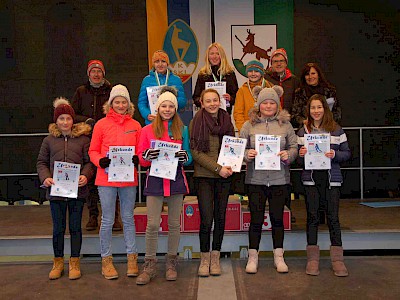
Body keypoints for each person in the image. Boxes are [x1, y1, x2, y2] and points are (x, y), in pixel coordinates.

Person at [136, 87, 192, 285]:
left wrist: (185, 157)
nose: (167, 109)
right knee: (152, 224)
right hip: (155, 181)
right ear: (157, 108)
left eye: (171, 106)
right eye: (164, 106)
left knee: (174, 224)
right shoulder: (146, 130)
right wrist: (146, 156)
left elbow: (189, 157)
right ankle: (149, 264)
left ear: (175, 109)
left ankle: (171, 262)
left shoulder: (182, 129)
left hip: (175, 180)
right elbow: (141, 159)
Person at [239, 86, 298, 274]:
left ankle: (279, 257)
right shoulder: (248, 125)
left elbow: (294, 147)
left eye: (272, 102)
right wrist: (247, 154)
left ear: (277, 104)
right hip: (255, 180)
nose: (268, 106)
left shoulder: (286, 125)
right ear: (259, 104)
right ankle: (253, 257)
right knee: (255, 220)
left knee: (277, 219)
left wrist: (287, 155)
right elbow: (239, 150)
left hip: (279, 179)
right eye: (265, 102)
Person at [37, 97, 95, 280]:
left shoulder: (83, 140)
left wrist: (86, 175)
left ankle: (75, 262)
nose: (65, 122)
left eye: (68, 118)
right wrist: (46, 177)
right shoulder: (48, 140)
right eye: (61, 118)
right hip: (56, 194)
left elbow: (90, 163)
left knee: (76, 227)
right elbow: (41, 162)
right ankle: (58, 261)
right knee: (58, 228)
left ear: (73, 120)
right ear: (56, 121)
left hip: (77, 192)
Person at [89, 84, 142, 280]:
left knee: (128, 219)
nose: (120, 105)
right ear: (110, 104)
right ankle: (106, 260)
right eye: (117, 102)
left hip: (128, 180)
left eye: (124, 102)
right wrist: (99, 161)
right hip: (106, 179)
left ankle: (132, 258)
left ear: (129, 105)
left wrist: (138, 159)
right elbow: (93, 150)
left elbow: (141, 151)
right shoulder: (101, 125)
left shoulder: (135, 125)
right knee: (107, 220)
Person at [297, 94, 350, 277]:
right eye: (313, 108)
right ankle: (312, 259)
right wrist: (301, 153)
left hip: (332, 179)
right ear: (309, 110)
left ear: (325, 109)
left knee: (333, 218)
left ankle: (337, 260)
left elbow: (347, 153)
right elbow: (296, 158)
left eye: (319, 107)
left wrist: (335, 155)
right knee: (312, 217)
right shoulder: (303, 131)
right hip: (311, 179)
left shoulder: (336, 130)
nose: (316, 111)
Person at [189, 88, 235, 277]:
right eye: (208, 101)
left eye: (215, 100)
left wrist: (231, 165)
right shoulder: (196, 121)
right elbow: (196, 153)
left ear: (220, 101)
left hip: (225, 176)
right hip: (205, 177)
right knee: (207, 219)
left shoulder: (226, 120)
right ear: (201, 102)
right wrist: (218, 168)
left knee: (220, 217)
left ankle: (215, 257)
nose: (212, 104)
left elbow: (233, 146)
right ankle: (205, 258)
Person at [72, 59, 121, 231]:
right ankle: (93, 215)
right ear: (88, 74)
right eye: (93, 71)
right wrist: (86, 121)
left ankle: (115, 217)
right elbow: (72, 114)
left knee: (113, 176)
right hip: (87, 139)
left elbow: (119, 110)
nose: (96, 74)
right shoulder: (81, 91)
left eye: (99, 71)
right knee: (90, 178)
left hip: (109, 139)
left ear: (103, 73)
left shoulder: (111, 90)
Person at [293, 62, 342, 224]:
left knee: (328, 185)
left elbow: (338, 112)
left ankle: (327, 216)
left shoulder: (330, 90)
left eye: (313, 73)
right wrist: (307, 121)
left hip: (328, 133)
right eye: (307, 74)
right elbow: (295, 113)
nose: (310, 76)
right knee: (312, 185)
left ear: (319, 74)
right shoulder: (299, 92)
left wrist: (325, 123)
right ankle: (317, 217)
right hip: (308, 135)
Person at [264, 48, 299, 223]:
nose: (278, 64)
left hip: (287, 128)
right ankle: (266, 210)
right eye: (275, 61)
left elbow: (298, 102)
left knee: (285, 172)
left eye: (281, 61)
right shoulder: (265, 79)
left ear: (286, 63)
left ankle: (286, 210)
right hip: (267, 128)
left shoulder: (294, 81)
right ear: (271, 63)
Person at [138, 50, 186, 125]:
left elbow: (182, 102)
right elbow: (141, 103)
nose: (160, 64)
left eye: (163, 61)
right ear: (153, 64)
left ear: (167, 63)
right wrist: (147, 114)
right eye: (157, 61)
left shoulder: (176, 80)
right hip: (153, 121)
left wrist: (172, 100)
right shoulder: (147, 80)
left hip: (172, 121)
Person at [192, 42, 239, 115]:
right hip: (206, 115)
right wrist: (202, 101)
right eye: (212, 54)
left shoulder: (229, 73)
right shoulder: (203, 74)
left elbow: (237, 96)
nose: (215, 56)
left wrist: (230, 98)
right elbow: (196, 97)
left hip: (224, 115)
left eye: (217, 54)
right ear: (208, 56)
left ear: (222, 56)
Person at [233, 60, 273, 131]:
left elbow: (277, 109)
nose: (253, 74)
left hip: (268, 129)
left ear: (261, 73)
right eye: (250, 71)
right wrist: (243, 130)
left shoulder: (269, 87)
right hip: (249, 129)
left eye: (256, 71)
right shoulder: (242, 90)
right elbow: (238, 113)